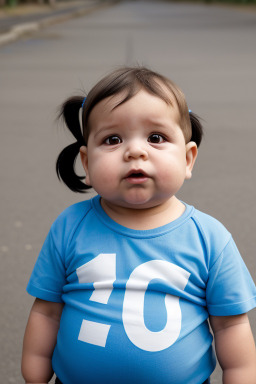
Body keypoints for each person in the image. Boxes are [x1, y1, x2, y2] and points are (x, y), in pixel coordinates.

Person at [22, 66, 256, 384]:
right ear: (87, 163)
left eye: (156, 138)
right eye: (113, 139)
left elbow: (230, 325)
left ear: (188, 159)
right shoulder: (71, 226)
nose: (135, 151)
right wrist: (34, 371)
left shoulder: (209, 238)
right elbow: (47, 310)